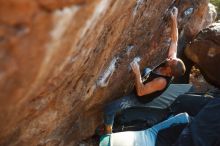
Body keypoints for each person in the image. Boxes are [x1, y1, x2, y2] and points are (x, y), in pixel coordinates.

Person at [102, 7, 191, 134]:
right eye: (173, 58)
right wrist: (174, 18)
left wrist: (137, 73)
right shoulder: (170, 63)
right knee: (147, 71)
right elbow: (175, 39)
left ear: (169, 70)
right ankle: (143, 74)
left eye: (171, 61)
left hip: (139, 97)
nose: (170, 58)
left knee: (109, 109)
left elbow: (141, 91)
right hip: (148, 78)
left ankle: (108, 132)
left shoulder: (161, 81)